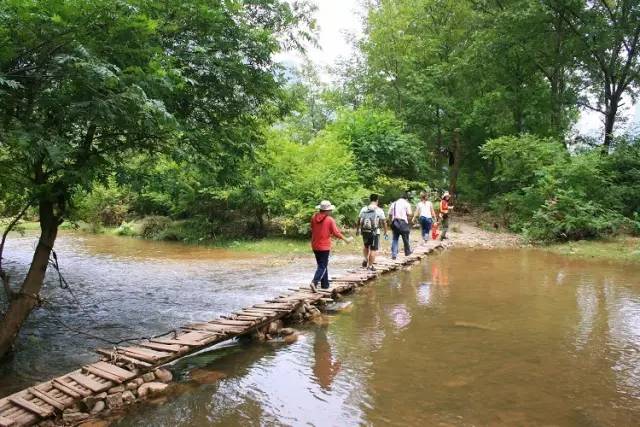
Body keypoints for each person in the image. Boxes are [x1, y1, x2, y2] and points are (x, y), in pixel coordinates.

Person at [310, 200, 351, 292]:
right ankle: (314, 282)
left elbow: (312, 228)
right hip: (324, 246)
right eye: (330, 210)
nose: (331, 211)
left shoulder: (313, 217)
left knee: (322, 265)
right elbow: (336, 233)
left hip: (315, 245)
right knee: (322, 266)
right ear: (327, 211)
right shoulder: (329, 220)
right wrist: (346, 239)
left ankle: (325, 284)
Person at [356, 194, 387, 270]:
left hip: (365, 231)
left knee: (366, 246)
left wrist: (357, 230)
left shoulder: (364, 209)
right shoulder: (379, 210)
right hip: (375, 232)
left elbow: (359, 220)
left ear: (370, 200)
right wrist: (385, 231)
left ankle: (366, 259)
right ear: (377, 200)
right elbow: (384, 222)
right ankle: (370, 266)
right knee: (373, 249)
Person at [388, 192, 412, 259]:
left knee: (395, 239)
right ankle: (407, 252)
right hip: (403, 223)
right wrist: (409, 223)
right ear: (406, 198)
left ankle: (394, 254)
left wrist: (390, 222)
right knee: (405, 238)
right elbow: (410, 214)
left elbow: (389, 214)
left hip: (395, 222)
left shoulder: (394, 203)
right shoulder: (406, 204)